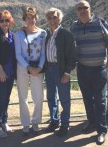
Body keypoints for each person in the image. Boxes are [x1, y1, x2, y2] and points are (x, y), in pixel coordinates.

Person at [70, 0, 108, 145]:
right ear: (76, 11)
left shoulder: (100, 22)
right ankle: (91, 122)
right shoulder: (74, 26)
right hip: (83, 68)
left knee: (100, 100)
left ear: (90, 9)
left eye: (85, 7)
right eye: (80, 8)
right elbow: (71, 44)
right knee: (87, 99)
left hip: (99, 69)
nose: (83, 10)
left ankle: (101, 130)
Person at [44, 8, 77, 137]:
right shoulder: (47, 34)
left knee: (64, 99)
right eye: (50, 18)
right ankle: (54, 121)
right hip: (49, 69)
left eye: (55, 17)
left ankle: (65, 125)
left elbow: (72, 57)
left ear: (60, 18)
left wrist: (67, 72)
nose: (52, 20)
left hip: (60, 69)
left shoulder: (65, 34)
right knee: (51, 97)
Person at [14, 7, 47, 135]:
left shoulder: (43, 33)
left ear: (36, 18)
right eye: (28, 17)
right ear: (24, 19)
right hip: (23, 68)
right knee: (23, 96)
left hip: (38, 69)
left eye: (32, 17)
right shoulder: (19, 34)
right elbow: (18, 54)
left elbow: (43, 53)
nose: (30, 20)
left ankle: (36, 121)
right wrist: (28, 67)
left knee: (38, 97)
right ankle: (26, 123)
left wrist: (39, 67)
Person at [0, 10, 17, 138]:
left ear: (10, 21)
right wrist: (1, 71)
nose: (4, 23)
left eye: (7, 20)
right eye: (2, 20)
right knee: (0, 98)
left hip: (10, 71)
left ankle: (4, 122)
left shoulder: (12, 34)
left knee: (6, 98)